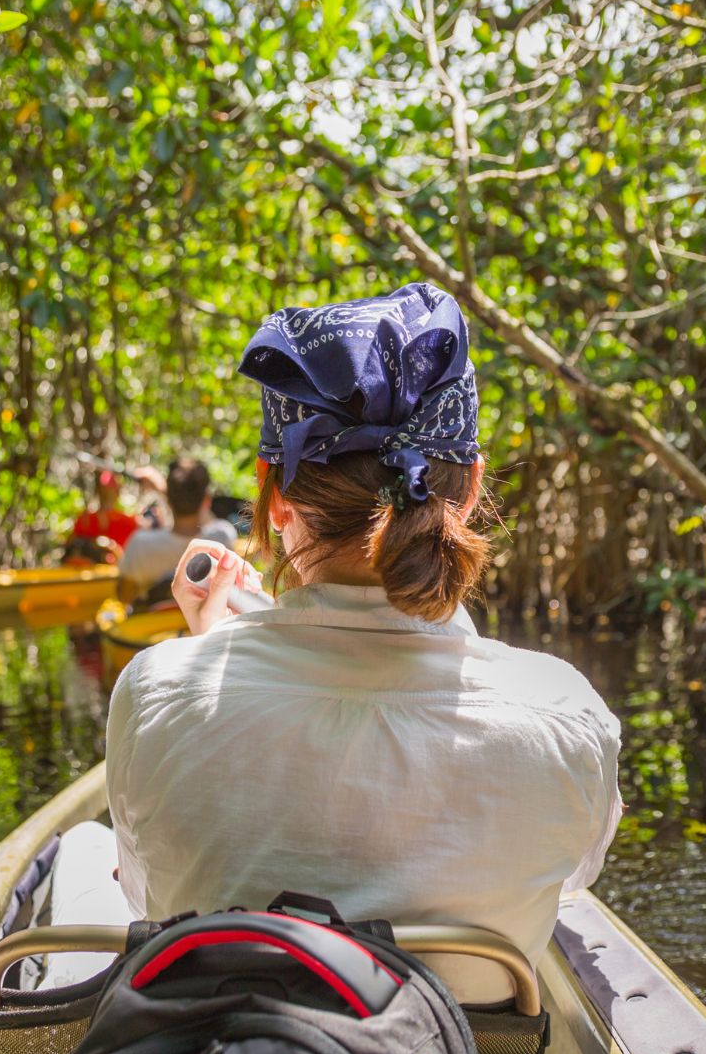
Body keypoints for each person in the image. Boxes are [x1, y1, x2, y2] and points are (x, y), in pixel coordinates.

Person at [100, 282, 622, 1002]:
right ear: (468, 487)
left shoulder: (157, 689)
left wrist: (205, 651)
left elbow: (146, 895)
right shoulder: (564, 711)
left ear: (273, 492)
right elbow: (567, 881)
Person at [114, 455, 238, 603]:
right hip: (202, 626)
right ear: (206, 499)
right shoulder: (221, 539)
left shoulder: (140, 544)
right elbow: (210, 519)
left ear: (168, 498)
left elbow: (123, 596)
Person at [67, 470, 142, 553]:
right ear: (98, 491)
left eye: (111, 489)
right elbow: (70, 547)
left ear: (117, 491)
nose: (107, 493)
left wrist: (111, 546)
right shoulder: (85, 520)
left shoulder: (129, 521)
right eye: (104, 489)